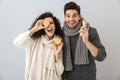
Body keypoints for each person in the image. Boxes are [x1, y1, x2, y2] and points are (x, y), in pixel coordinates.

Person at [62, 1, 106, 80]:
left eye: (74, 15)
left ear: (79, 16)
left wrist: (86, 41)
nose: (71, 19)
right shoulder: (61, 34)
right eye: (68, 16)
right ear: (65, 17)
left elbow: (101, 56)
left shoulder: (90, 31)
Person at [13, 12, 64, 80]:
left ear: (55, 26)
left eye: (51, 23)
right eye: (46, 23)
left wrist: (57, 55)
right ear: (43, 27)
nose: (49, 25)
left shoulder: (58, 44)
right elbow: (17, 42)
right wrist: (34, 29)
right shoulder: (33, 41)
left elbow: (60, 72)